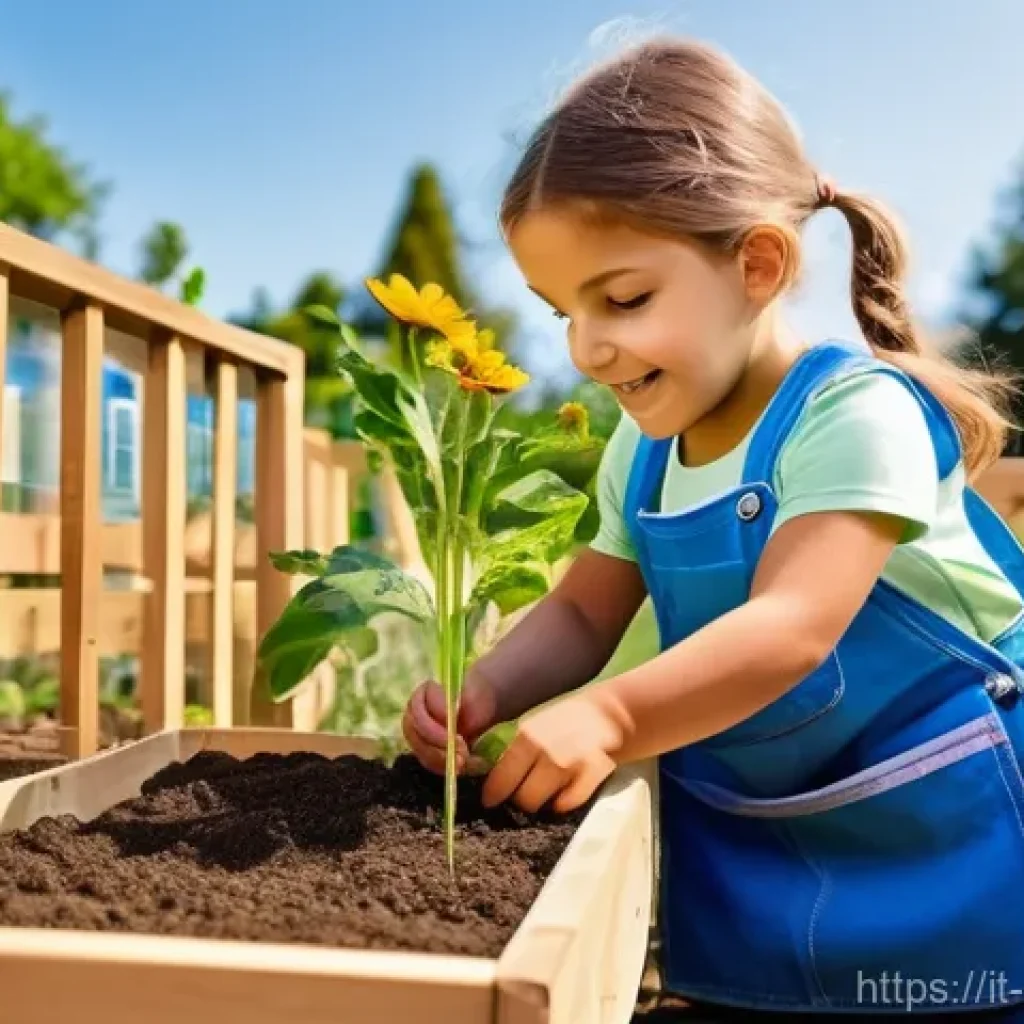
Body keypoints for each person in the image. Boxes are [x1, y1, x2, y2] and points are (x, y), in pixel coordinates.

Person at [403, 36, 1024, 1017]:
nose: (587, 345)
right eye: (561, 310)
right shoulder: (640, 450)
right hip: (774, 838)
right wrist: (487, 688)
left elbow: (791, 628)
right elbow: (581, 613)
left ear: (758, 265)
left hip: (944, 833)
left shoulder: (851, 415)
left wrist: (609, 714)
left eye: (623, 298)